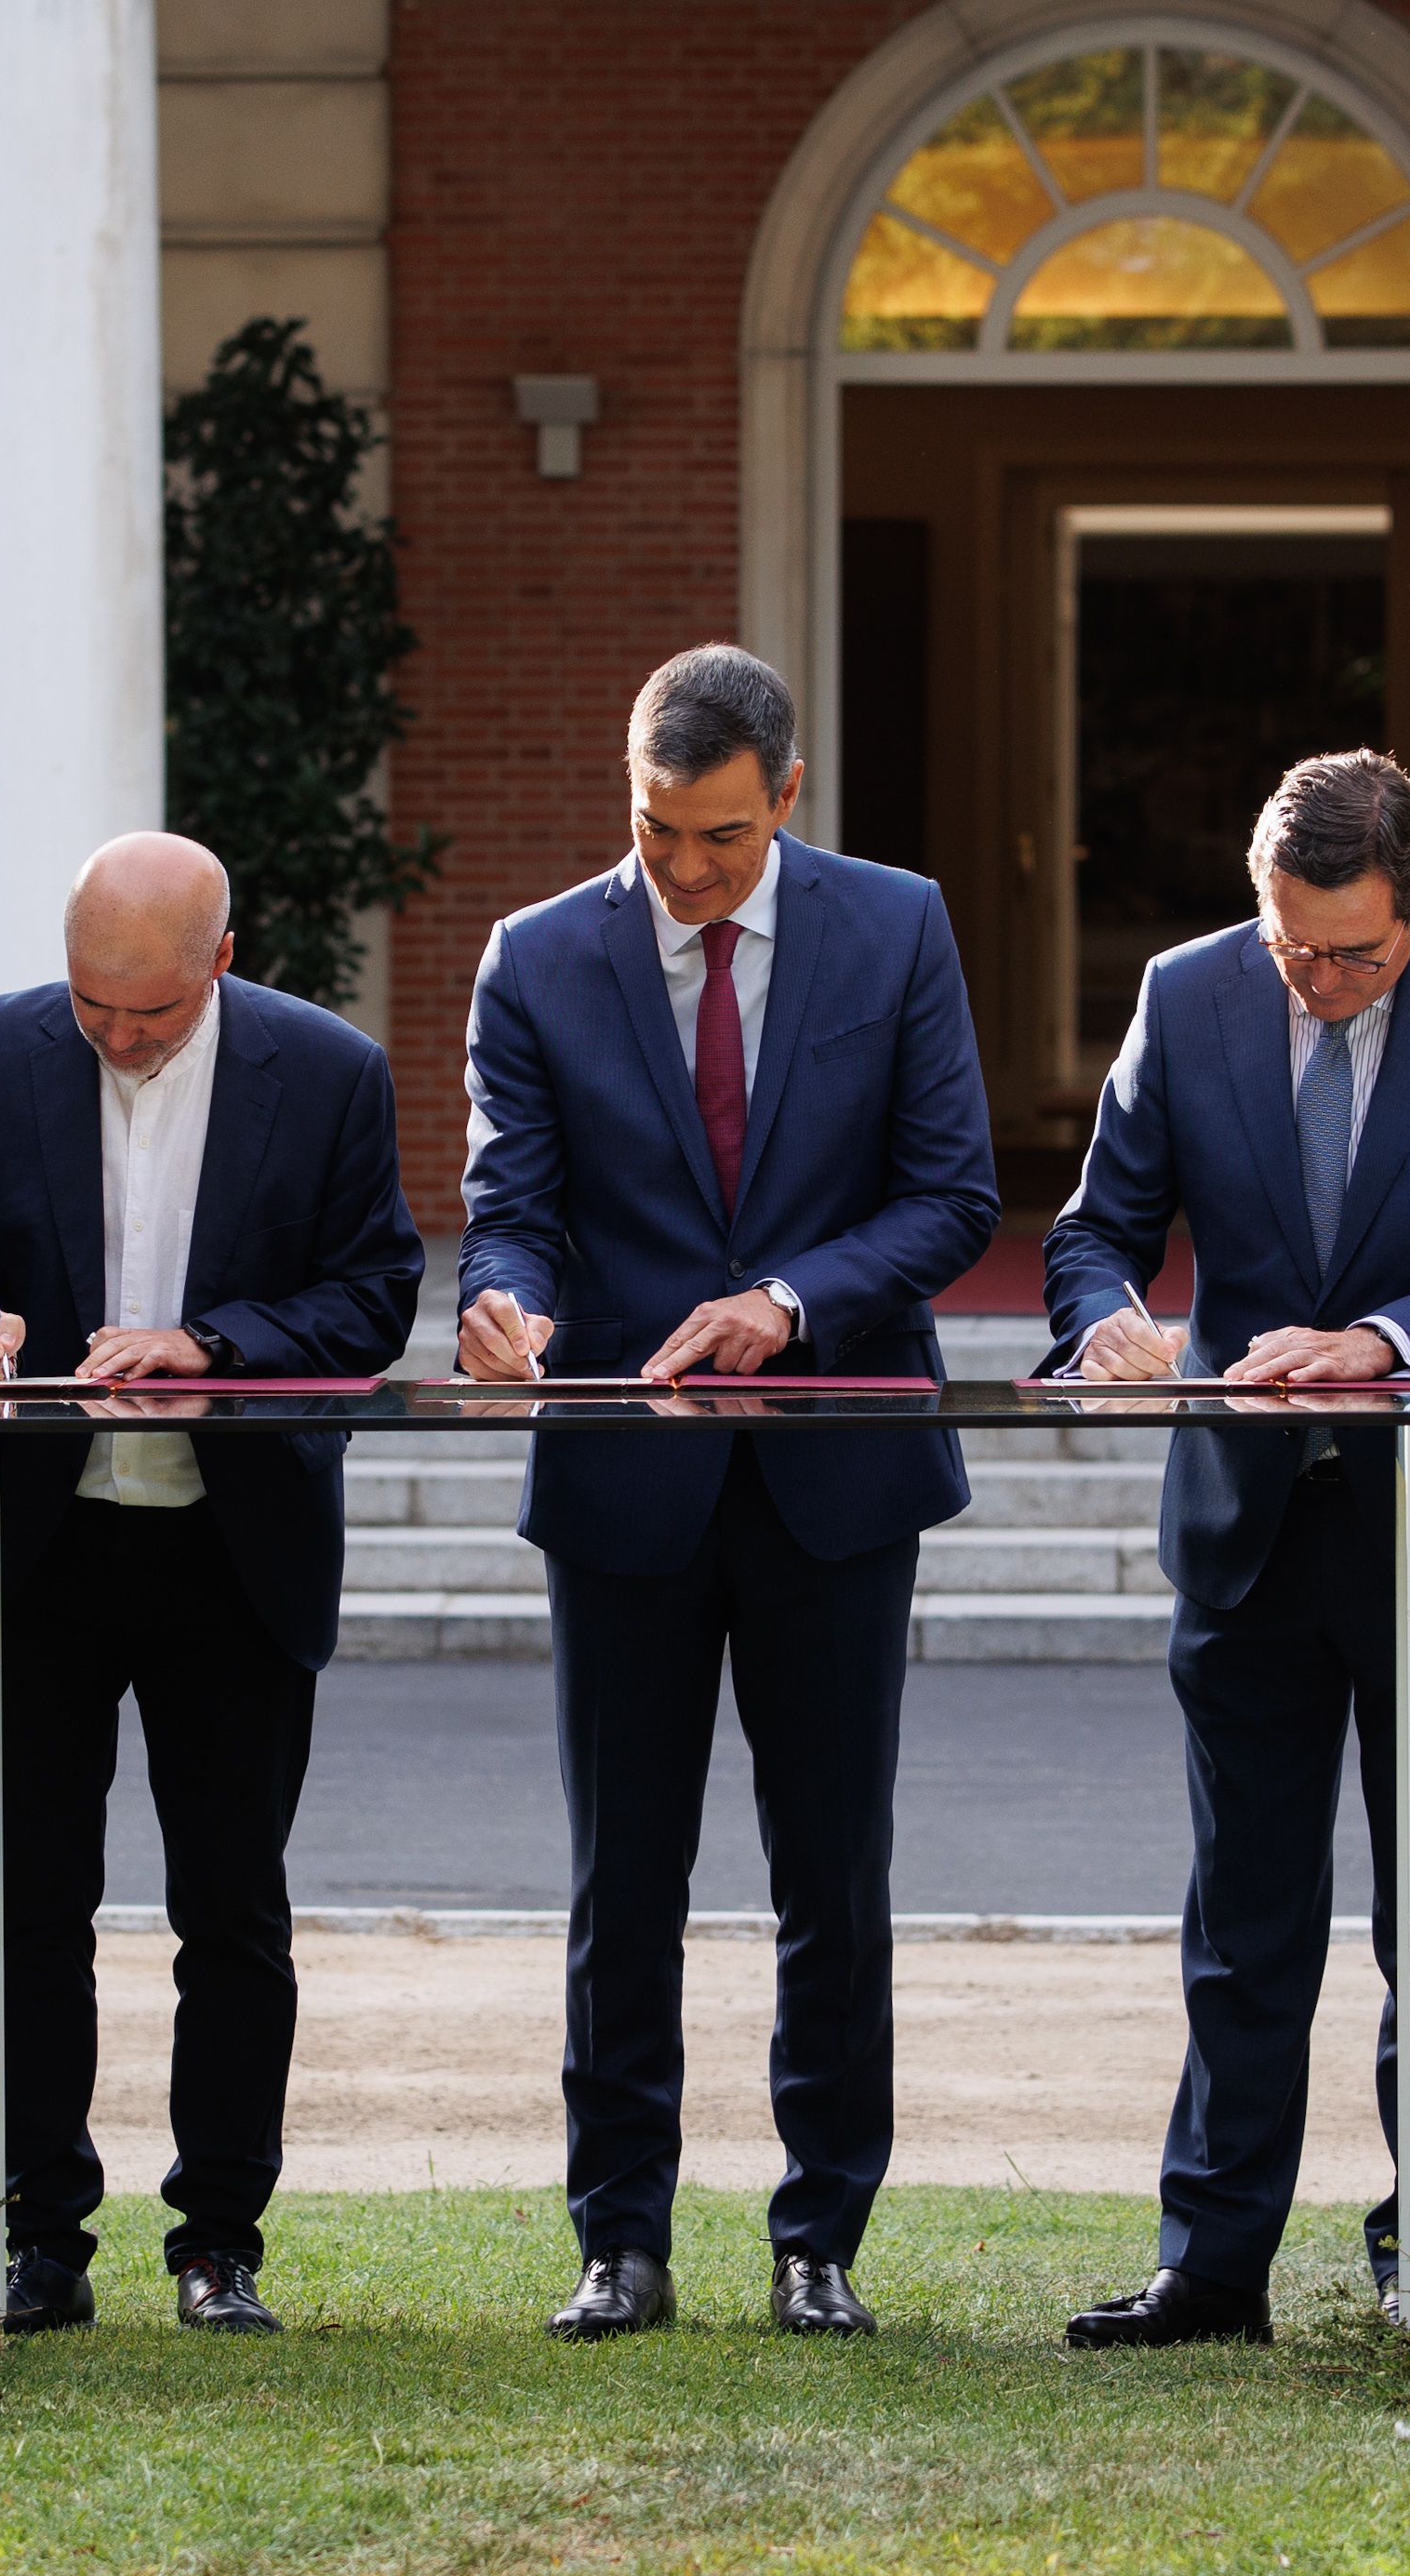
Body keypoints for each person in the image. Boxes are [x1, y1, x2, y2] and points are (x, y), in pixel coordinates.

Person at [458, 644, 999, 2341]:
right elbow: (511, 1198)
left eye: (719, 839)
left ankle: (818, 2233)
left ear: (787, 795)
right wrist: (503, 1298)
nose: (685, 871)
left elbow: (953, 1195)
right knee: (625, 1877)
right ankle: (620, 2237)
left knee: (833, 1874)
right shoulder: (536, 960)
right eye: (655, 832)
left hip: (837, 1470)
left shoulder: (897, 926)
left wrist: (793, 1296)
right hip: (627, 1471)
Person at [1046, 749, 1410, 2350]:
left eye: (1354, 950)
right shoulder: (1189, 994)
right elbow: (1093, 1230)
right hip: (1247, 1527)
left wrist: (1384, 1340)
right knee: (1245, 1917)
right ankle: (1211, 2268)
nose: (1321, 977)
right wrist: (1110, 1323)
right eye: (1293, 943)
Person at [0, 833, 420, 2337]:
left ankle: (219, 2241)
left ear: (222, 965)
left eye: (152, 1012)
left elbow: (375, 1290)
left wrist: (214, 1345)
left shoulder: (326, 1072)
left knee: (232, 1912)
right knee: (29, 1906)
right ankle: (39, 2239)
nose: (117, 1036)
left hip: (231, 1544)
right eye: (92, 1006)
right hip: (41, 1542)